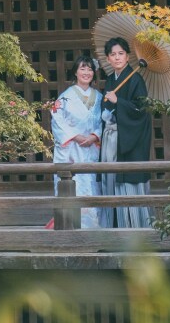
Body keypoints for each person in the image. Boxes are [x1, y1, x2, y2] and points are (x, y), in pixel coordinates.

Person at [99, 36, 152, 228]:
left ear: (128, 56)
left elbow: (141, 110)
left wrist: (118, 102)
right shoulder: (110, 80)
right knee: (111, 179)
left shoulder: (135, 79)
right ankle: (114, 224)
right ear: (108, 58)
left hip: (129, 140)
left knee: (127, 180)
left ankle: (134, 227)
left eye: (121, 53)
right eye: (112, 54)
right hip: (111, 138)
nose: (117, 57)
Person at [50, 53, 103, 228]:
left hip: (92, 149)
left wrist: (95, 136)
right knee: (75, 186)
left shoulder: (100, 97)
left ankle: (95, 228)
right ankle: (71, 227)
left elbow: (105, 120)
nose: (86, 72)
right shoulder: (65, 97)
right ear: (75, 72)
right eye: (83, 68)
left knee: (93, 187)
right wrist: (76, 136)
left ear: (94, 73)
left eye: (90, 69)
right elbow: (57, 121)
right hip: (72, 149)